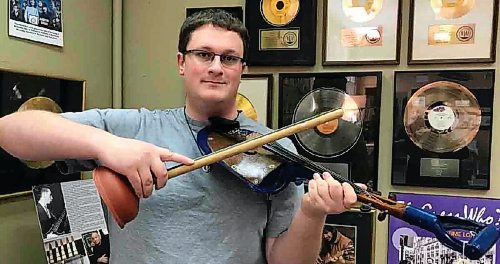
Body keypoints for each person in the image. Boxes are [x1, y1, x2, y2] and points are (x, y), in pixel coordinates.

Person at [0, 9, 360, 263]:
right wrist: (108, 146)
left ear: (242, 69)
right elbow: (12, 131)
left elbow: (284, 261)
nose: (216, 67)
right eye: (204, 54)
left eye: (229, 58)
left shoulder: (274, 149)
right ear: (181, 62)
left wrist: (313, 214)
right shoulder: (133, 128)